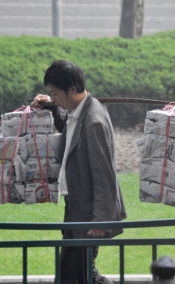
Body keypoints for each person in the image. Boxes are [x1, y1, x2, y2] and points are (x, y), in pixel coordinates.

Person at [32, 60, 126, 284]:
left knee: (75, 275)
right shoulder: (79, 111)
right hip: (75, 209)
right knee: (78, 274)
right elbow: (70, 133)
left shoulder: (94, 121)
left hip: (88, 215)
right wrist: (50, 106)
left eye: (55, 94)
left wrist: (100, 220)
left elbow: (104, 175)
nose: (53, 97)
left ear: (72, 90)